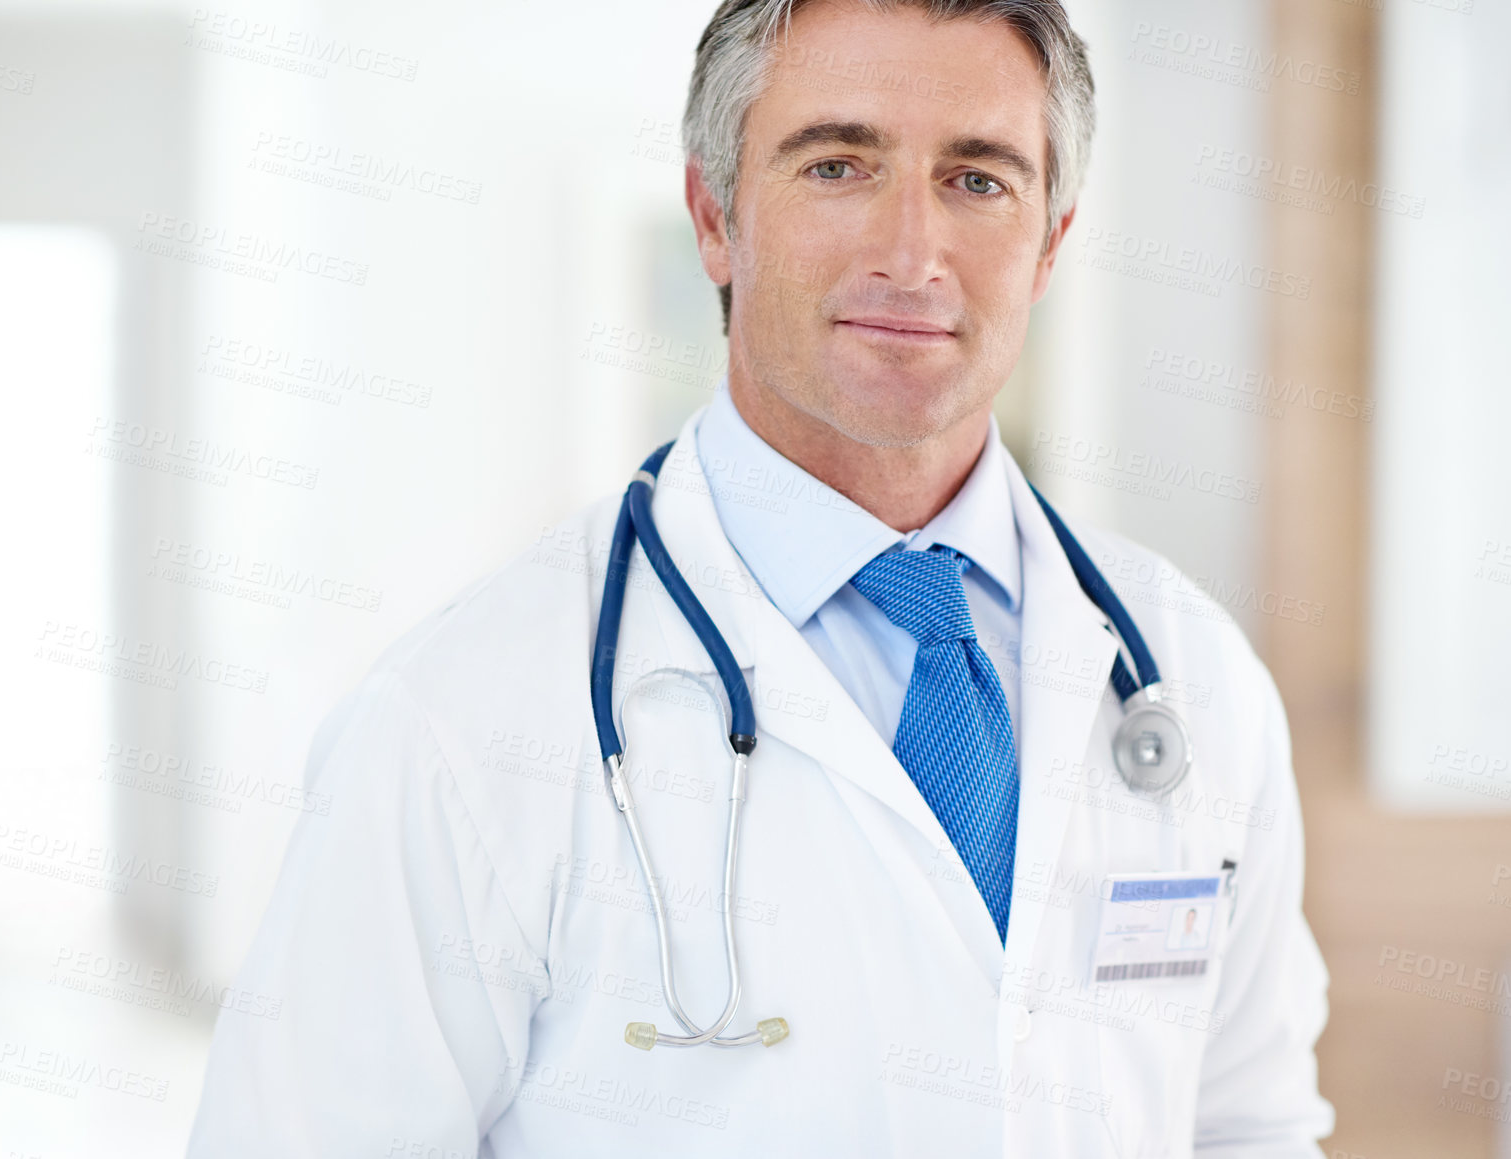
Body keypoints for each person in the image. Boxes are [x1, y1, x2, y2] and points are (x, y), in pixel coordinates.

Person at [187, 1, 1333, 1154]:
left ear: (1050, 241)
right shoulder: (459, 721)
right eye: (839, 165)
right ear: (712, 216)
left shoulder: (1193, 678)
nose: (912, 252)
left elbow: (1254, 1127)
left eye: (978, 180)